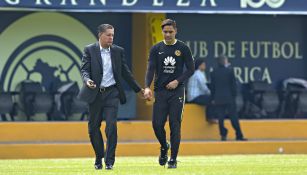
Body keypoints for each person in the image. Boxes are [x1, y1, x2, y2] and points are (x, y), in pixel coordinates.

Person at [78, 24, 143, 170]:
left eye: (112, 35)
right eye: (108, 35)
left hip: (112, 93)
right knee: (93, 128)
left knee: (111, 127)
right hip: (95, 94)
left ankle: (109, 161)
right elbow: (84, 69)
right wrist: (87, 80)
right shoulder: (89, 50)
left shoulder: (118, 51)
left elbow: (126, 73)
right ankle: (99, 156)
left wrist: (139, 90)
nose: (111, 38)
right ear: (100, 35)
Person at [144, 19, 195, 169]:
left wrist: (177, 81)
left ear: (176, 31)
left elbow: (191, 69)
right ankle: (164, 146)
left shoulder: (183, 48)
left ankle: (173, 159)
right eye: (165, 32)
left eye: (170, 32)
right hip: (160, 91)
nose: (168, 34)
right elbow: (150, 69)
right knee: (157, 124)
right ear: (162, 32)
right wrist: (147, 87)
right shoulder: (156, 48)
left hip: (177, 92)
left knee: (175, 124)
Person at [210, 55, 247, 141]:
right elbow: (233, 86)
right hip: (229, 98)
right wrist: (234, 96)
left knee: (221, 118)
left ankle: (223, 135)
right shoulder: (229, 71)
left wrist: (213, 98)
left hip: (218, 98)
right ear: (225, 61)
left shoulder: (213, 72)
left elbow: (212, 87)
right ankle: (239, 135)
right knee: (233, 117)